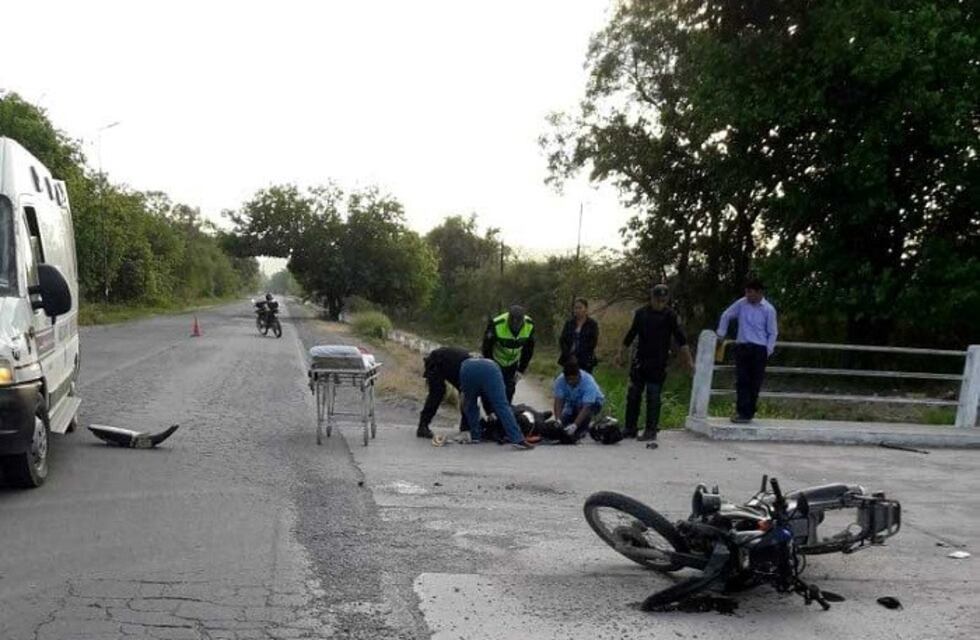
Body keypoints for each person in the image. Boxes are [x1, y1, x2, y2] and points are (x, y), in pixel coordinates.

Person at [619, 284, 694, 441]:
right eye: (657, 300)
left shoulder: (670, 316)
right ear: (651, 298)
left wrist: (689, 361)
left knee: (653, 396)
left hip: (658, 362)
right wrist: (621, 354)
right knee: (633, 395)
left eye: (663, 300)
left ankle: (651, 430)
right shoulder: (641, 314)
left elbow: (681, 339)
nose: (660, 303)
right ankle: (630, 427)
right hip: (640, 361)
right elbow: (630, 334)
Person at [716, 278, 778, 424]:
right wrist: (720, 334)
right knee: (742, 381)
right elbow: (726, 315)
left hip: (759, 349)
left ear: (759, 293)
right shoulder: (741, 304)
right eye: (746, 292)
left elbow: (772, 332)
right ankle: (742, 412)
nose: (748, 296)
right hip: (742, 346)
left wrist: (767, 350)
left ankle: (749, 412)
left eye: (750, 293)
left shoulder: (769, 309)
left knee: (755, 382)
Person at [459, 358, 535, 450]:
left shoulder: (463, 363)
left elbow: (465, 398)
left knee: (471, 403)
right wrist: (490, 412)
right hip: (490, 369)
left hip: (466, 369)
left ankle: (475, 436)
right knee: (502, 406)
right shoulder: (495, 368)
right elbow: (489, 397)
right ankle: (517, 439)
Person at [481, 304, 535, 403]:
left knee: (509, 390)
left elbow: (529, 349)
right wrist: (490, 365)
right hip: (496, 360)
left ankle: (505, 412)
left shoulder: (529, 324)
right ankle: (491, 413)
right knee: (492, 388)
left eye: (518, 323)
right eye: (513, 322)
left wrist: (521, 369)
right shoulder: (497, 323)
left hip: (512, 363)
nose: (515, 325)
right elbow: (486, 348)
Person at [417, 346, 472, 439]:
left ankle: (465, 427)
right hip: (436, 361)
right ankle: (422, 427)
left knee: (465, 395)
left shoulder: (474, 372)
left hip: (450, 363)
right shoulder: (473, 376)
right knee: (437, 393)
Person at [552, 358, 605, 443]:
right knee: (563, 422)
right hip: (573, 404)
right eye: (568, 380)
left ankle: (583, 428)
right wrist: (558, 420)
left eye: (573, 379)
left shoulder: (588, 382)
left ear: (578, 375)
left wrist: (575, 425)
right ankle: (574, 422)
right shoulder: (560, 380)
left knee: (580, 419)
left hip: (592, 404)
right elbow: (558, 401)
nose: (571, 382)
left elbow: (587, 407)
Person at [558, 298, 599, 373]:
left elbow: (592, 342)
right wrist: (569, 355)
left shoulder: (592, 324)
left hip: (585, 360)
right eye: (575, 308)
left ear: (586, 309)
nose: (577, 310)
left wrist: (578, 355)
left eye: (580, 308)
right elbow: (562, 340)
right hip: (568, 359)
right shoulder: (569, 323)